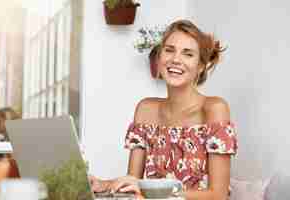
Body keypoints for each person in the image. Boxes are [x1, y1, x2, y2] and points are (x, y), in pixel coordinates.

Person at [90, 19, 238, 200]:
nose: (176, 59)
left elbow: (218, 195)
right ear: (159, 58)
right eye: (169, 50)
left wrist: (152, 193)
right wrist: (103, 185)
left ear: (200, 66)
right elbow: (134, 183)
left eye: (188, 54)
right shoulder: (146, 109)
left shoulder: (214, 109)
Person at [0, 107, 21, 180]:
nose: (1, 123)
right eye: (0, 120)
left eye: (3, 120)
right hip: (0, 164)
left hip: (9, 167)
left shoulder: (18, 135)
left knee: (3, 166)